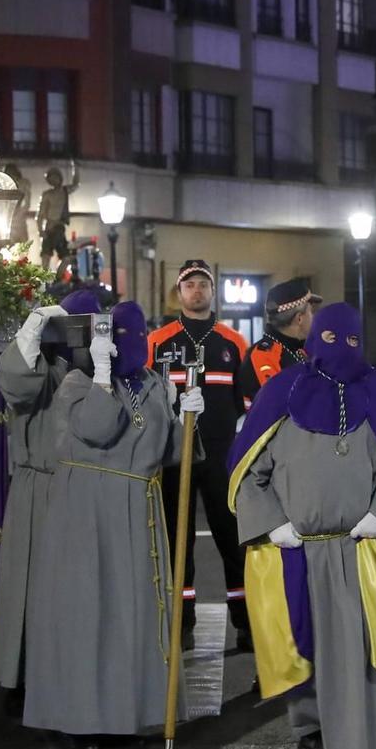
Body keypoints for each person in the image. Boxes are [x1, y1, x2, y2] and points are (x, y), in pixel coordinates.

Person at [228, 302, 376, 749]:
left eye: (349, 342)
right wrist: (272, 524)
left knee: (357, 662)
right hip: (296, 551)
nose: (338, 352)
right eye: (328, 340)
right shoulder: (282, 393)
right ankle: (311, 730)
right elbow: (247, 474)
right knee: (301, 649)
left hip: (359, 552)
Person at [22, 302, 187, 748]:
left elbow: (171, 454)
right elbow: (96, 428)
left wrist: (186, 414)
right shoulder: (77, 383)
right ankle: (79, 718)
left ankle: (129, 713)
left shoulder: (152, 384)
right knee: (89, 611)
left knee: (131, 615)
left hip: (138, 508)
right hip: (88, 512)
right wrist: (99, 376)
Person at [0, 289, 101, 710]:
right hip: (41, 487)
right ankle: (25, 675)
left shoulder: (104, 367)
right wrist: (33, 329)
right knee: (32, 585)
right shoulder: (41, 364)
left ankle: (74, 670)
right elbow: (15, 388)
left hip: (88, 486)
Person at [148, 259, 260, 650]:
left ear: (213, 292)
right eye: (189, 284)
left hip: (220, 456)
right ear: (179, 293)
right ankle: (182, 620)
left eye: (203, 284)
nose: (197, 290)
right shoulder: (157, 341)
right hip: (173, 457)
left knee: (233, 538)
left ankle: (246, 622)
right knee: (179, 540)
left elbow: (247, 405)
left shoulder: (233, 342)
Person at [248, 279, 321, 389]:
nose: (313, 317)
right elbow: (278, 403)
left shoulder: (300, 351)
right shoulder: (264, 357)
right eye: (311, 311)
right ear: (299, 318)